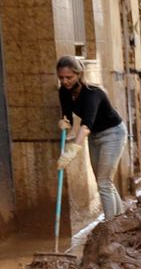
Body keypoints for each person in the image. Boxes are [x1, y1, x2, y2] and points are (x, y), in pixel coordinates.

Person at [55, 56, 128, 220]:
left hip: (113, 134)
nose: (65, 81)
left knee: (103, 182)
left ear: (79, 74)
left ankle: (110, 226)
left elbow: (86, 124)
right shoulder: (64, 92)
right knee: (104, 181)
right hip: (95, 136)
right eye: (61, 77)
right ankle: (120, 220)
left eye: (69, 77)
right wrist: (65, 122)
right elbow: (68, 116)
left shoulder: (92, 94)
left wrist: (72, 150)